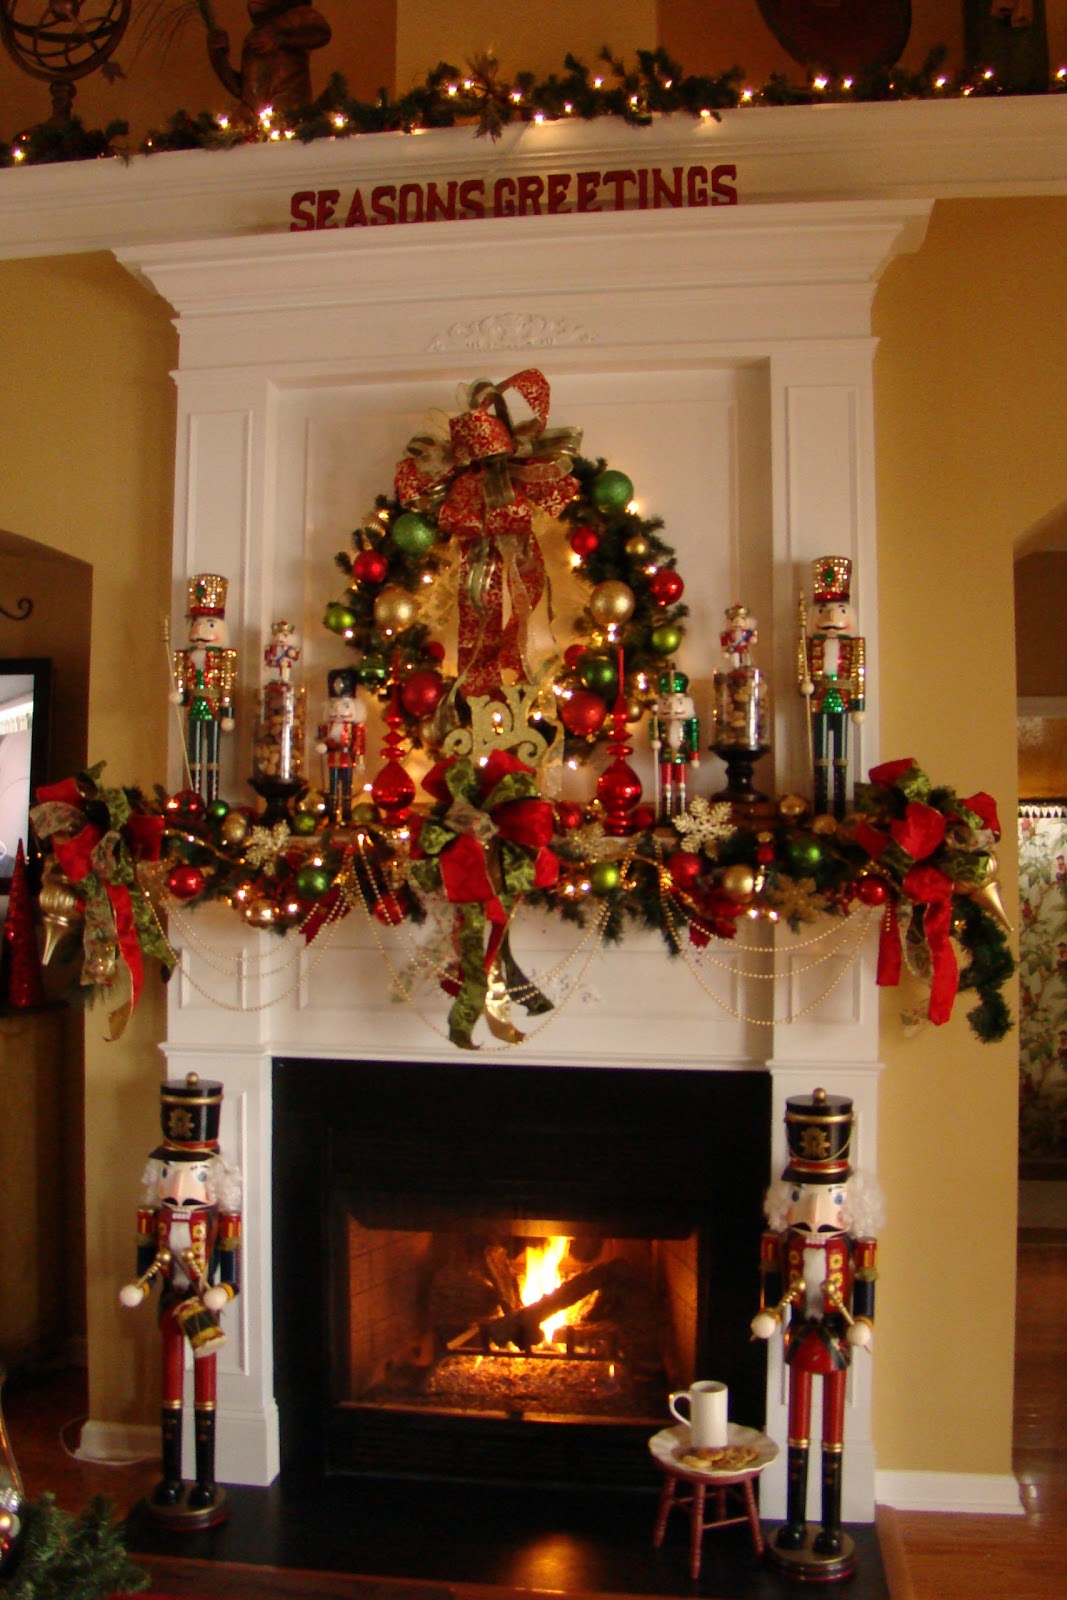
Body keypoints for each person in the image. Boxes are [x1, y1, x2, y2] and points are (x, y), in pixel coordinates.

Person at [750, 1088, 883, 1580]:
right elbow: (770, 1284)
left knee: (833, 1435)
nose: (815, 1209)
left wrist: (864, 1323)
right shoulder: (780, 1243)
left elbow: (865, 1289)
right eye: (802, 1194)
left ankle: (830, 1525)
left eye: (832, 1196)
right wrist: (768, 1313)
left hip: (836, 1338)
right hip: (798, 1336)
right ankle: (793, 1522)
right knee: (797, 1433)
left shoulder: (856, 1248)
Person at [119, 1074, 241, 1528]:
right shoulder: (153, 1217)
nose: (181, 1184)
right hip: (170, 1306)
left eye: (196, 1173)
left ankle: (205, 1478)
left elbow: (232, 1275)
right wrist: (140, 1288)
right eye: (172, 1171)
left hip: (203, 1310)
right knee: (169, 1391)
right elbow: (146, 1265)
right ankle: (172, 1477)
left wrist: (221, 1292)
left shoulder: (222, 1221)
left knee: (204, 1393)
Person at [798, 557, 865, 818]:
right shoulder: (809, 644)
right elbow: (803, 668)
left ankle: (839, 804)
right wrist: (804, 683)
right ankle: (820, 802)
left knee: (840, 752)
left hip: (843, 699)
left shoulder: (854, 646)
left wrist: (859, 705)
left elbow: (859, 675)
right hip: (819, 699)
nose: (832, 617)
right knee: (820, 754)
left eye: (839, 610)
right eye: (824, 610)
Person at [171, 574, 238, 804]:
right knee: (194, 749)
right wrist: (180, 695)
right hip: (194, 705)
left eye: (209, 624)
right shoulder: (187, 656)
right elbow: (182, 679)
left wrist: (228, 712)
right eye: (196, 623)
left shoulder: (224, 657)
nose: (200, 631)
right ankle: (195, 795)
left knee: (213, 753)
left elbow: (227, 686)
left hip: (214, 707)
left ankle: (212, 797)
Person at [206, 0, 332, 118]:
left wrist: (280, 38)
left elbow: (322, 33)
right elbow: (242, 90)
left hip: (289, 116)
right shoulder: (253, 37)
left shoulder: (298, 14)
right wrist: (218, 57)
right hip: (254, 122)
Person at [316, 668, 368, 823]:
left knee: (347, 788)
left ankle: (346, 815)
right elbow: (321, 738)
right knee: (332, 787)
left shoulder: (355, 727)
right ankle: (332, 815)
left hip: (347, 759)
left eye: (345, 706)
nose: (338, 711)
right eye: (334, 706)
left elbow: (359, 743)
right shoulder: (327, 726)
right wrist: (321, 745)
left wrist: (360, 761)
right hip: (333, 759)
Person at [649, 669, 700, 820]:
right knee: (666, 784)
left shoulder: (689, 723)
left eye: (678, 703)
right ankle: (666, 812)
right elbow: (653, 731)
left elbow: (694, 738)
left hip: (682, 755)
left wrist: (694, 755)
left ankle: (681, 812)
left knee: (681, 784)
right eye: (667, 703)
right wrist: (654, 741)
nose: (672, 708)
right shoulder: (658, 721)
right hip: (665, 755)